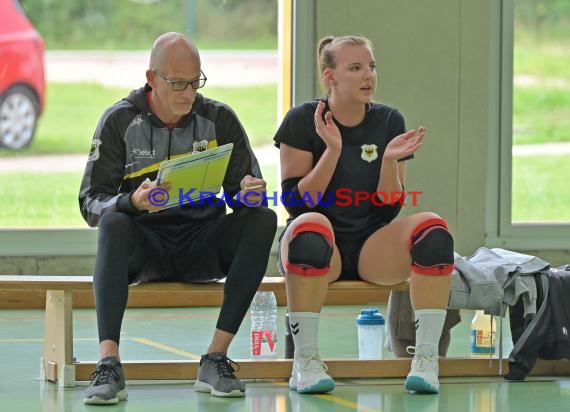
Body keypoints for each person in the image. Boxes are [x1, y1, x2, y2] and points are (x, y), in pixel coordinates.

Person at [78, 32, 277, 404]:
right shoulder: (120, 120)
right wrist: (131, 202)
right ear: (152, 78)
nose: (188, 92)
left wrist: (250, 193)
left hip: (202, 243)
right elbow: (90, 202)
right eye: (177, 83)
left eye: (195, 81)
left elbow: (243, 193)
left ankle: (216, 357)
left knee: (263, 218)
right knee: (113, 222)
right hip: (145, 247)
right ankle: (109, 364)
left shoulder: (220, 118)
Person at [274, 35, 454, 395]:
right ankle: (305, 362)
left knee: (434, 230)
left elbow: (390, 206)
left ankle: (426, 360)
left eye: (371, 66)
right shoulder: (301, 120)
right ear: (331, 77)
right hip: (316, 245)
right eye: (355, 68)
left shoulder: (389, 120)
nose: (368, 75)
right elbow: (297, 203)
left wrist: (389, 161)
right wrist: (333, 150)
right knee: (312, 227)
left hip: (373, 248)